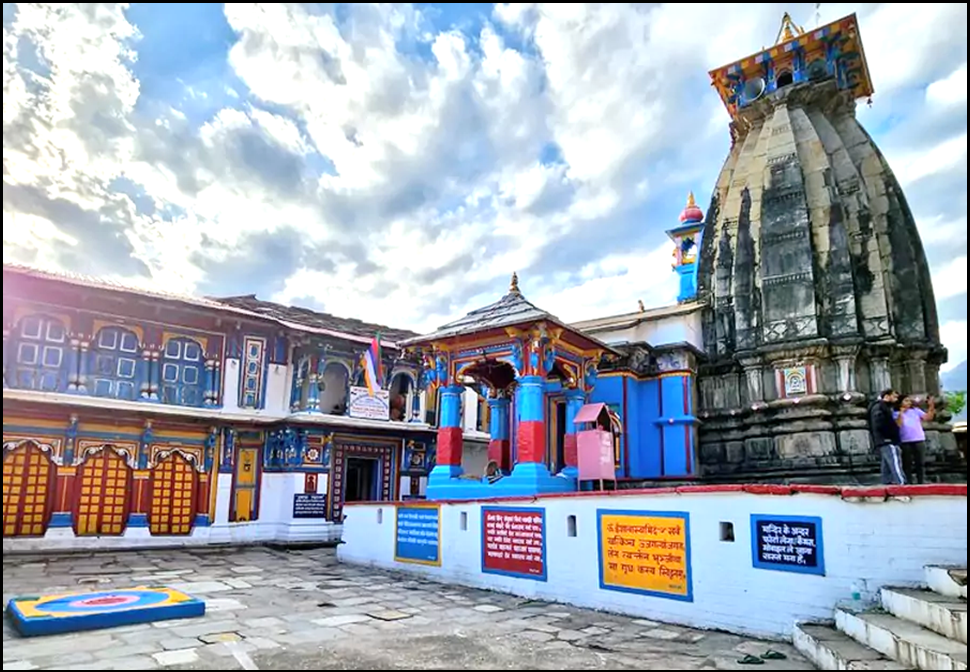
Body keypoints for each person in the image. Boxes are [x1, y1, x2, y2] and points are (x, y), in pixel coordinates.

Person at [894, 395, 935, 484]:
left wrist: (931, 406)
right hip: (905, 441)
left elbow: (928, 418)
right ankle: (908, 481)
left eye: (909, 401)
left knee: (920, 462)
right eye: (906, 401)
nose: (909, 403)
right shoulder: (896, 413)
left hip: (918, 439)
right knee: (907, 463)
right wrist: (901, 413)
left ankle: (921, 480)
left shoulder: (915, 411)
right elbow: (898, 425)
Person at [868, 388, 905, 485]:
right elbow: (880, 424)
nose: (896, 399)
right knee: (894, 462)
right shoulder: (880, 407)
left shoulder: (885, 407)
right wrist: (890, 435)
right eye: (894, 396)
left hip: (884, 439)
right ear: (887, 396)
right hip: (887, 439)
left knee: (886, 464)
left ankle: (887, 482)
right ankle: (901, 482)